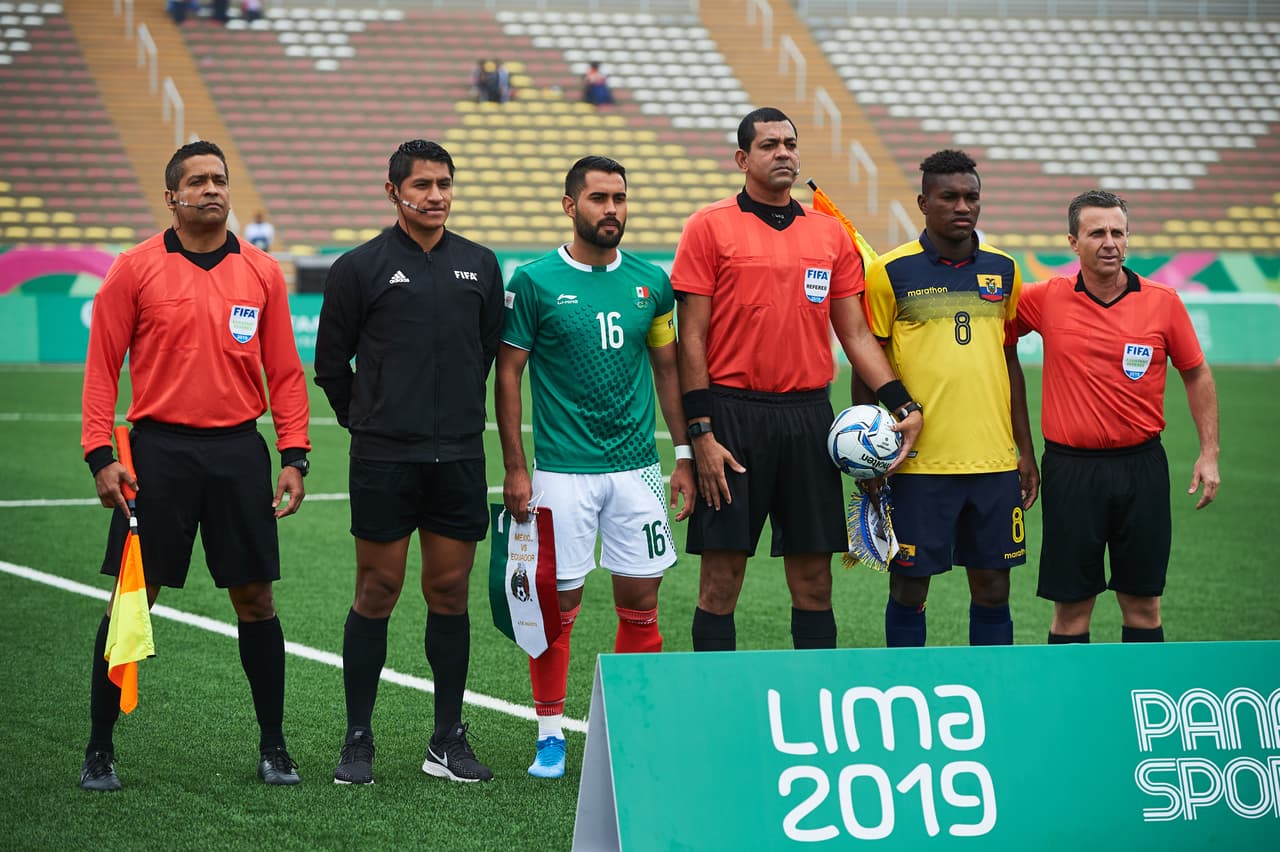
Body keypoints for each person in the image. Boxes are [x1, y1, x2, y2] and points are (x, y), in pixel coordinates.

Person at [79, 140, 311, 791]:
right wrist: (101, 454)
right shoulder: (135, 268)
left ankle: (274, 746)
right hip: (157, 455)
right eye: (198, 181)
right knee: (133, 601)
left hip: (239, 452)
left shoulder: (261, 271)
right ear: (172, 196)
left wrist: (295, 454)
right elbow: (101, 369)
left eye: (220, 179)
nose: (212, 189)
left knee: (256, 600)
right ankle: (99, 747)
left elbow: (286, 373)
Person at [671, 107, 922, 653]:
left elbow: (855, 334)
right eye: (768, 145)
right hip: (731, 418)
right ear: (743, 159)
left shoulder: (829, 234)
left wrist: (903, 404)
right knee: (720, 581)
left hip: (810, 420)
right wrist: (701, 433)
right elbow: (690, 339)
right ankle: (718, 705)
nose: (783, 153)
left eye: (790, 143)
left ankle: (814, 708)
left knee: (815, 583)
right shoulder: (708, 226)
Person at [495, 156, 696, 779]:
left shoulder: (651, 282)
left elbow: (668, 371)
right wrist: (516, 468)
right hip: (560, 471)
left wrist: (683, 454)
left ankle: (630, 729)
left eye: (620, 198)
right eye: (599, 198)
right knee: (558, 609)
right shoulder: (532, 281)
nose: (612, 209)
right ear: (569, 205)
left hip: (637, 471)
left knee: (642, 605)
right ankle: (550, 735)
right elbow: (508, 374)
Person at [314, 139, 504, 785]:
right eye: (422, 185)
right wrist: (367, 421)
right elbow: (331, 365)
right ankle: (358, 737)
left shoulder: (480, 264)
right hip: (383, 456)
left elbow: (483, 354)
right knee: (378, 590)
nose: (435, 195)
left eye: (444, 183)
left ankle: (446, 740)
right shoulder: (358, 267)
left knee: (449, 592)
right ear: (393, 191)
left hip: (456, 455)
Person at [1015, 189, 1219, 644]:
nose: (1109, 242)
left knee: (1144, 606)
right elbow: (996, 331)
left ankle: (1139, 708)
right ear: (1073, 242)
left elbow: (1197, 373)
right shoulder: (1045, 298)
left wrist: (1209, 453)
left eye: (1118, 232)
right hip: (1070, 469)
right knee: (1070, 611)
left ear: (1128, 239)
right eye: (1096, 233)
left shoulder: (1163, 301)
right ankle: (1071, 707)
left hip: (1141, 468)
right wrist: (1023, 447)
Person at [857, 149, 1038, 649]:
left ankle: (994, 688)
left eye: (972, 197)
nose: (964, 206)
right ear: (923, 202)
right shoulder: (890, 273)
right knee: (910, 587)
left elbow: (1009, 362)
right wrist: (870, 457)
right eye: (950, 197)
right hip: (914, 467)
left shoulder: (1004, 270)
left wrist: (1024, 450)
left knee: (994, 589)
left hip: (992, 464)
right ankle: (906, 685)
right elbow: (867, 369)